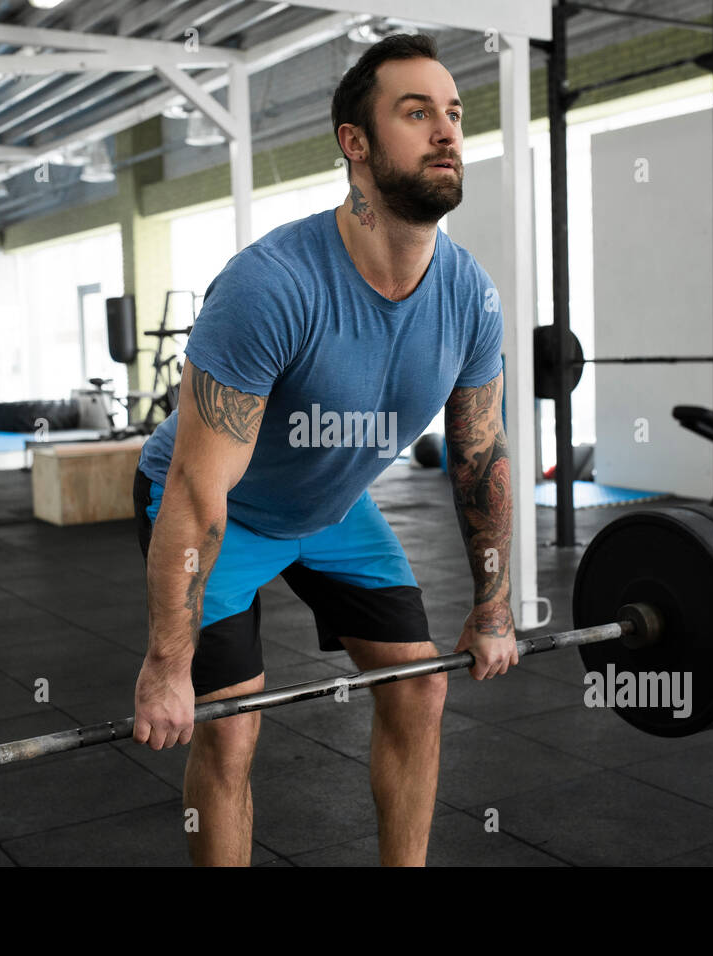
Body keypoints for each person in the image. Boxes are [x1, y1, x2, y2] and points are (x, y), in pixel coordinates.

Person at [131, 33, 515, 867]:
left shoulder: (471, 298)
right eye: (416, 114)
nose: (446, 131)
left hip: (335, 513)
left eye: (453, 113)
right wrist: (169, 662)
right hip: (220, 516)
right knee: (230, 730)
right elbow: (200, 493)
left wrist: (491, 604)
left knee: (420, 689)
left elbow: (481, 459)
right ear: (356, 142)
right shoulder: (271, 285)